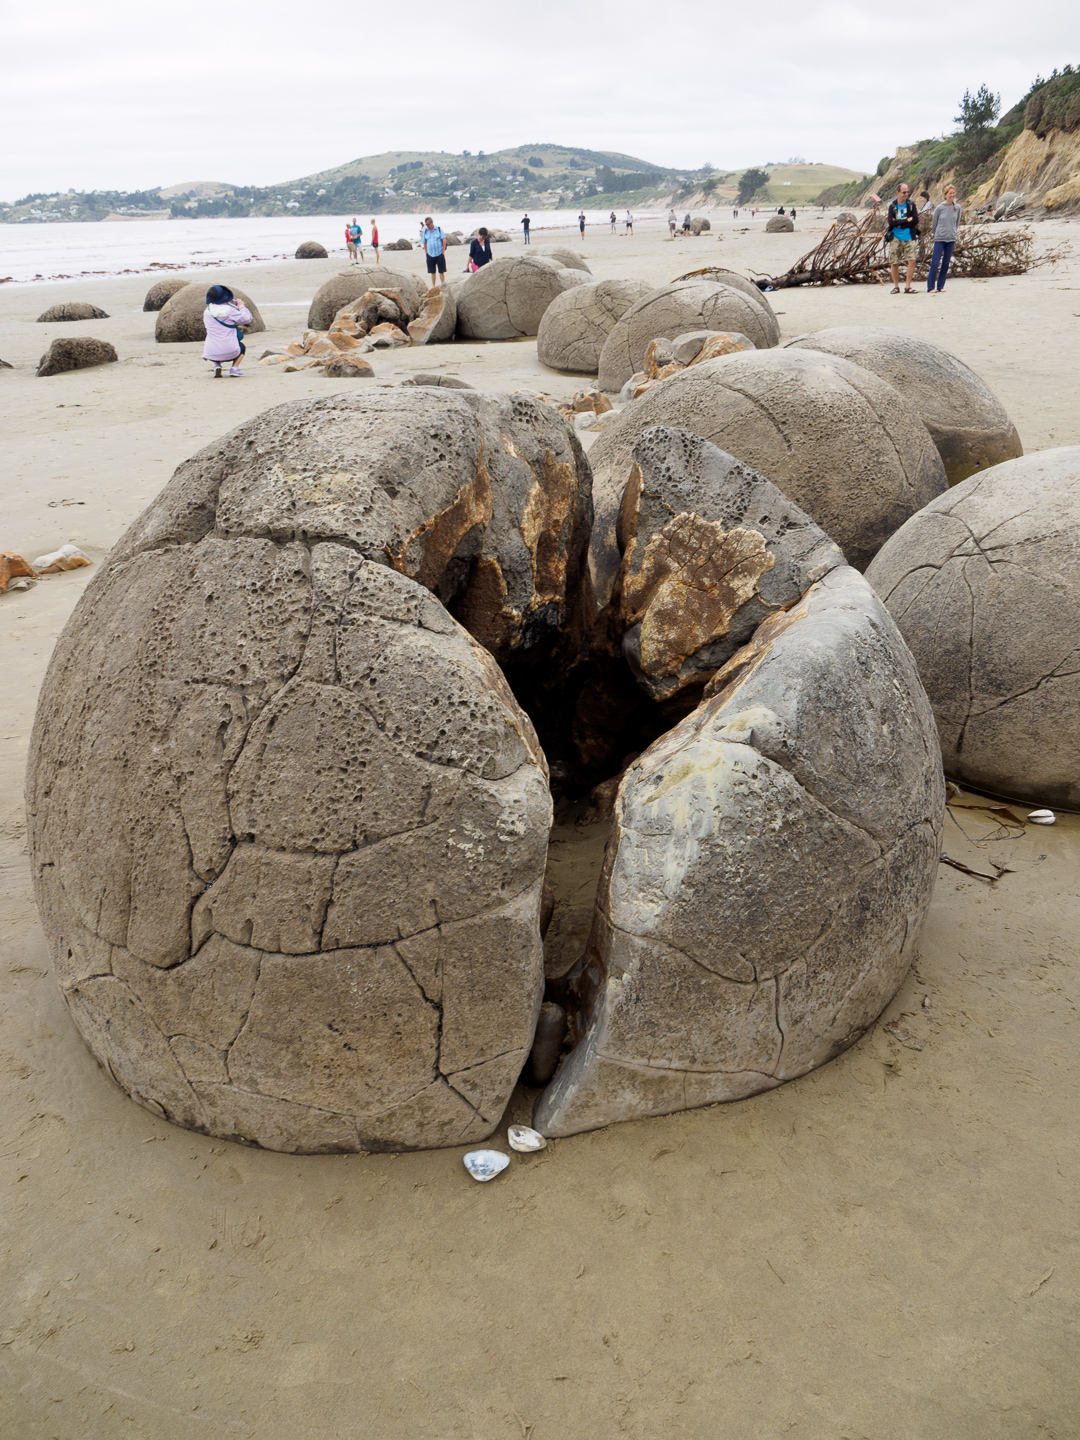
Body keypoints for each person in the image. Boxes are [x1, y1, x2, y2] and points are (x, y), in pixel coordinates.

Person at [201, 284, 251, 378]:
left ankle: (217, 365)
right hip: (231, 351)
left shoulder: (207, 312)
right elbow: (247, 318)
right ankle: (234, 368)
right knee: (242, 347)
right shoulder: (230, 311)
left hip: (211, 352)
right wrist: (241, 306)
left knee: (216, 345)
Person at [886, 181, 920, 294]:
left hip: (909, 236)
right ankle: (896, 287)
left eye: (907, 192)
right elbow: (891, 222)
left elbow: (916, 220)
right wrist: (907, 220)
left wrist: (900, 223)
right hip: (895, 237)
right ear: (898, 193)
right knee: (894, 262)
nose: (906, 194)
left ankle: (907, 286)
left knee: (912, 260)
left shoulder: (911, 204)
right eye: (904, 192)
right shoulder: (892, 206)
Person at [927, 184, 961, 294]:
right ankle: (930, 287)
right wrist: (938, 233)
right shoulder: (939, 208)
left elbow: (957, 222)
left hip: (951, 239)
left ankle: (940, 286)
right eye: (950, 193)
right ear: (945, 195)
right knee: (935, 263)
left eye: (953, 193)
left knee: (946, 263)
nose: (952, 195)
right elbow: (934, 224)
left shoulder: (958, 208)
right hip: (940, 239)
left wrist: (953, 232)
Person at [420, 215, 447, 287]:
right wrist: (426, 253)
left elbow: (444, 240)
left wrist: (443, 251)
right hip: (430, 254)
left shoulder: (438, 229)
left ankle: (443, 284)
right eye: (426, 224)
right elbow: (424, 242)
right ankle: (433, 286)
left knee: (441, 271)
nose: (427, 226)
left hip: (439, 253)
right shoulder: (425, 231)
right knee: (432, 272)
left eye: (428, 224)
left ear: (432, 223)